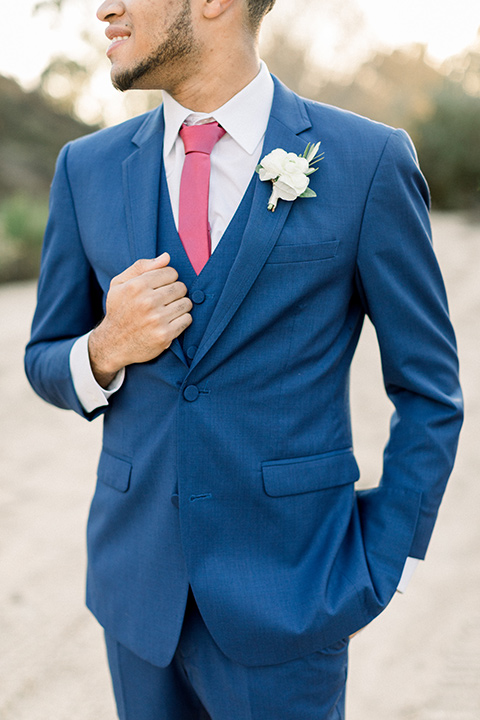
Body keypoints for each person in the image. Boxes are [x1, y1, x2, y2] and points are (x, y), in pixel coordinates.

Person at [25, 0, 463, 718]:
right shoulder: (88, 167)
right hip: (136, 596)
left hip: (293, 598)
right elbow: (44, 356)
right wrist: (104, 348)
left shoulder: (367, 161)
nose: (104, 8)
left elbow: (430, 391)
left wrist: (384, 559)